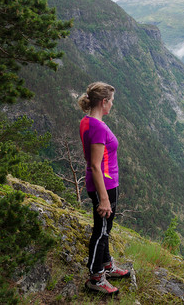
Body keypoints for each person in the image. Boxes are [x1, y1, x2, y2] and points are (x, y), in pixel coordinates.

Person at [78, 81, 130, 295]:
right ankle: (95, 277)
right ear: (104, 101)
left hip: (103, 184)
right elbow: (95, 166)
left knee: (105, 230)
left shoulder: (87, 121)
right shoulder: (98, 127)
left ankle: (106, 264)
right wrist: (104, 199)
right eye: (111, 102)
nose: (112, 106)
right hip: (104, 187)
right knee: (100, 232)